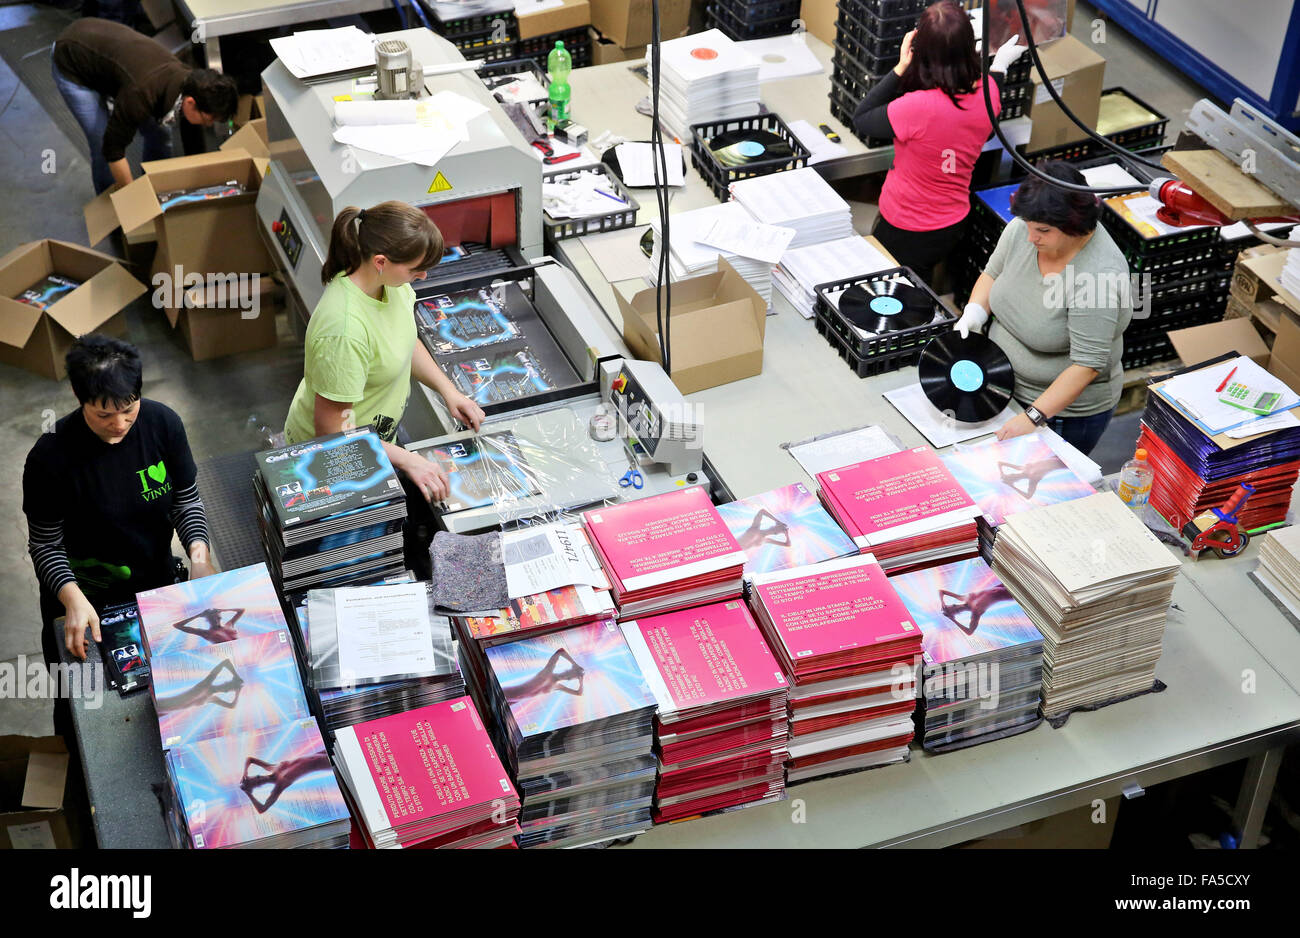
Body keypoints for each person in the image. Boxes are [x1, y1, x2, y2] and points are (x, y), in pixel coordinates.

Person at [23, 336, 217, 672]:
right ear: (78, 396)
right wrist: (72, 599)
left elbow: (185, 502)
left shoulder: (162, 425)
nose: (120, 424)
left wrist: (199, 558)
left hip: (154, 584)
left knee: (174, 678)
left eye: (129, 409)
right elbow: (45, 544)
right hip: (84, 598)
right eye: (104, 415)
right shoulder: (49, 457)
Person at [282, 201, 486, 506]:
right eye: (416, 270)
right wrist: (407, 459)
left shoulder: (392, 285)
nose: (423, 277)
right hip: (332, 460)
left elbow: (403, 340)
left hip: (373, 440)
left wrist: (449, 392)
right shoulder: (344, 330)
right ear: (381, 261)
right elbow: (333, 435)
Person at [954, 162, 1133, 456]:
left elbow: (1087, 365)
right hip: (1003, 385)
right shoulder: (1027, 229)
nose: (1030, 237)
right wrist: (974, 312)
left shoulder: (1098, 277)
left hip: (1061, 414)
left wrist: (1033, 417)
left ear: (1075, 226)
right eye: (1028, 225)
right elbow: (992, 273)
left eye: (1043, 231)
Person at [851, 1, 1025, 286]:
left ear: (922, 51)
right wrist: (999, 68)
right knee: (919, 285)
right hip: (952, 224)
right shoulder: (989, 92)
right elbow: (988, 130)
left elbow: (863, 117)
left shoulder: (916, 107)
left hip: (905, 227)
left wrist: (900, 67)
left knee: (893, 296)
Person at [51, 18, 239, 194]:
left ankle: (154, 190)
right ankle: (113, 212)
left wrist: (201, 182)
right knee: (101, 142)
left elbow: (193, 137)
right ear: (191, 103)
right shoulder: (141, 94)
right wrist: (134, 202)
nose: (208, 125)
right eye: (209, 119)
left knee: (160, 135)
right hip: (73, 59)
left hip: (107, 54)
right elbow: (113, 150)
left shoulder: (192, 85)